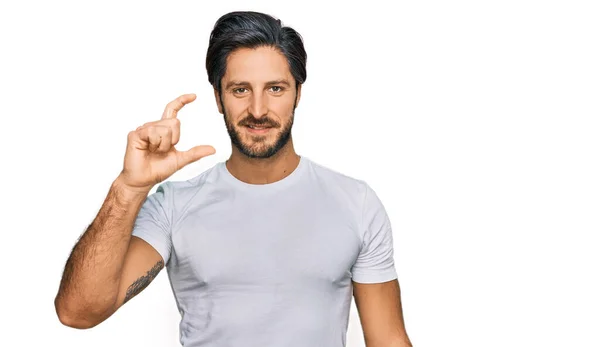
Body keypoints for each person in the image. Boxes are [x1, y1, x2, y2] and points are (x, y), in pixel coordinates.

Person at [54, 10, 413, 347]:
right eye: (241, 90)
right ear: (218, 98)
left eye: (275, 89)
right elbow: (78, 312)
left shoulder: (355, 202)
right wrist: (130, 189)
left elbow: (389, 340)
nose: (258, 110)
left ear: (298, 94)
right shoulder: (173, 205)